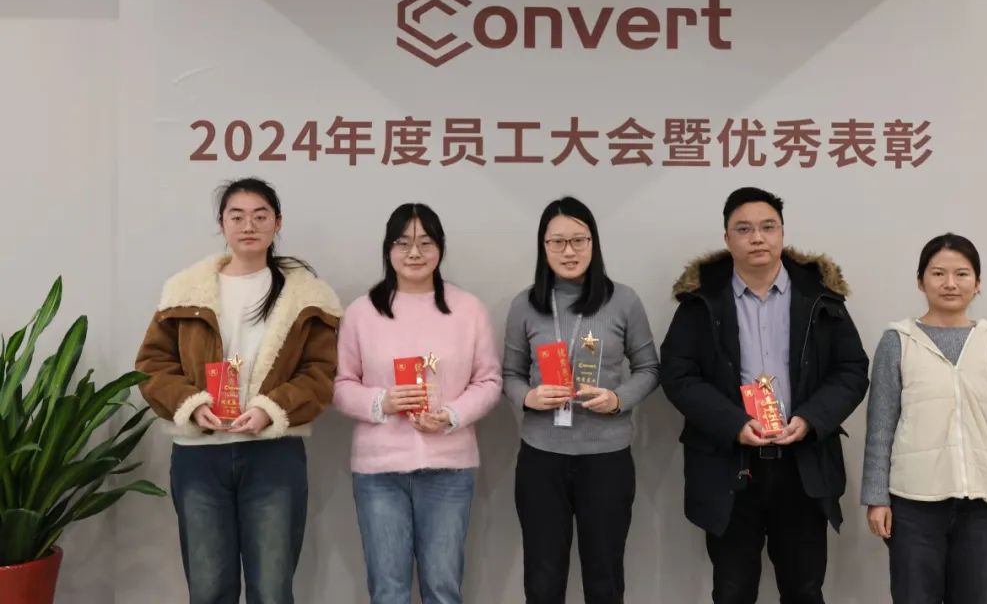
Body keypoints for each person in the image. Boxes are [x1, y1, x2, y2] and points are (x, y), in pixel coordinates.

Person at [135, 176, 341, 604]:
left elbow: (320, 373)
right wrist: (191, 405)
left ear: (277, 222)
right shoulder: (183, 291)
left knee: (272, 589)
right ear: (222, 223)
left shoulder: (307, 297)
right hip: (199, 456)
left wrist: (271, 408)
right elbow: (152, 365)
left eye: (260, 216)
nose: (249, 225)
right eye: (238, 216)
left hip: (273, 453)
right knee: (209, 588)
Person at [660, 186, 869, 604]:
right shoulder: (701, 302)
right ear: (727, 239)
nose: (757, 238)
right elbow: (678, 374)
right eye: (744, 229)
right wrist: (733, 423)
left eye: (768, 227)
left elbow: (851, 370)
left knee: (805, 589)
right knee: (732, 590)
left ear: (782, 233)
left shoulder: (820, 297)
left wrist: (810, 419)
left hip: (802, 464)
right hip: (730, 466)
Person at [861, 232, 987, 604]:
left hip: (985, 507)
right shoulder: (898, 341)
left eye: (962, 274)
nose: (950, 283)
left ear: (977, 283)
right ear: (920, 281)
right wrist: (877, 498)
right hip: (913, 505)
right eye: (938, 273)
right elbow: (880, 426)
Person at [334, 203, 502, 604]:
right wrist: (382, 401)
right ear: (388, 249)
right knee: (388, 590)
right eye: (402, 243)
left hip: (449, 469)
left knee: (443, 589)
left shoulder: (468, 309)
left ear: (440, 248)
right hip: (379, 472)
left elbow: (489, 380)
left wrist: (452, 415)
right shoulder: (362, 311)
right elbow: (340, 385)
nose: (414, 253)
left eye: (425, 243)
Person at [502, 196, 660, 604]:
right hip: (541, 458)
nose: (568, 251)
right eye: (557, 242)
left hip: (606, 459)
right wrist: (529, 397)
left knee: (604, 580)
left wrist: (618, 399)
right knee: (542, 582)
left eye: (579, 240)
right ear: (543, 246)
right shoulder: (525, 304)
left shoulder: (624, 300)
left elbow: (649, 368)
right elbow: (509, 374)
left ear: (594, 243)